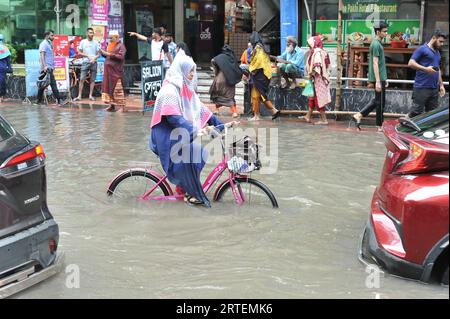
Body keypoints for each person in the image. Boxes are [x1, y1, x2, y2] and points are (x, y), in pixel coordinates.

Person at [150, 51, 230, 207]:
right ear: (182, 71)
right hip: (165, 135)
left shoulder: (186, 90)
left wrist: (222, 125)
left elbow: (203, 111)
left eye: (193, 70)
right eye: (190, 70)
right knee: (192, 152)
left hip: (178, 133)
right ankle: (191, 192)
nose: (193, 74)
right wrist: (195, 130)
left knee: (199, 153)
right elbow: (173, 117)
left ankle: (185, 188)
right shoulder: (170, 90)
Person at [352, 22, 389, 132]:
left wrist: (384, 78)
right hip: (378, 78)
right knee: (380, 102)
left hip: (381, 77)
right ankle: (379, 125)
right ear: (378, 32)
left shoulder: (377, 43)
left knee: (378, 101)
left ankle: (359, 115)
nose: (386, 33)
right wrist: (378, 81)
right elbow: (375, 63)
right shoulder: (376, 44)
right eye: (384, 31)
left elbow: (380, 63)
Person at [407, 30, 447, 118]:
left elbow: (438, 69)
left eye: (443, 42)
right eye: (440, 41)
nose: (442, 44)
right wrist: (426, 69)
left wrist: (441, 85)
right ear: (433, 38)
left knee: (432, 115)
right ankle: (402, 128)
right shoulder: (422, 49)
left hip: (434, 88)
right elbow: (410, 63)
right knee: (415, 112)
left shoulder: (437, 52)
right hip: (421, 87)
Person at [248, 31, 281, 121]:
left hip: (259, 75)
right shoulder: (260, 48)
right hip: (262, 75)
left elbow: (258, 63)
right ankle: (274, 110)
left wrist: (250, 69)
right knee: (261, 96)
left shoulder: (259, 49)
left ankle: (256, 116)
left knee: (256, 96)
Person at [301, 36, 331, 125]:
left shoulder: (317, 52)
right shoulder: (321, 52)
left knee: (318, 99)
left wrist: (312, 75)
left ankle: (324, 120)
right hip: (318, 78)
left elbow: (317, 67)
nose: (309, 46)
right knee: (313, 98)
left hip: (318, 79)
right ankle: (308, 116)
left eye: (310, 44)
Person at [210, 45, 242, 118]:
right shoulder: (232, 58)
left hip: (220, 78)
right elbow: (237, 68)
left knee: (218, 95)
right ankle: (234, 113)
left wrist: (216, 71)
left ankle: (217, 110)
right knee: (229, 96)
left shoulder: (220, 57)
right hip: (230, 79)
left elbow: (213, 60)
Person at [36, 30, 66, 106]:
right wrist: (45, 66)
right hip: (47, 68)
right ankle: (59, 100)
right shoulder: (43, 44)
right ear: (47, 36)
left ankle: (38, 101)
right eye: (52, 35)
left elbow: (49, 56)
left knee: (43, 85)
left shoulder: (48, 43)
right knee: (53, 84)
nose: (53, 37)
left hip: (49, 67)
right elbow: (42, 55)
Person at [101, 30, 127, 112]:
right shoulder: (109, 45)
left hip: (116, 71)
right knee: (109, 88)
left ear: (116, 37)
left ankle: (122, 107)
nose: (110, 40)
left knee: (117, 89)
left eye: (111, 38)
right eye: (109, 38)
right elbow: (107, 56)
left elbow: (121, 57)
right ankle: (111, 105)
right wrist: (102, 53)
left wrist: (108, 54)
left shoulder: (121, 46)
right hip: (108, 71)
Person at [74, 27, 101, 102]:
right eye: (90, 33)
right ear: (87, 33)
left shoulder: (96, 42)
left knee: (93, 80)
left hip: (94, 62)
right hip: (85, 62)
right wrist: (87, 56)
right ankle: (79, 96)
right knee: (82, 79)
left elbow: (99, 54)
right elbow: (79, 52)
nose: (92, 34)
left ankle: (90, 95)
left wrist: (94, 58)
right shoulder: (83, 42)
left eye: (92, 33)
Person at [0, 34, 12, 103]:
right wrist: (9, 67)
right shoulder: (5, 48)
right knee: (2, 82)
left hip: (2, 68)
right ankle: (1, 97)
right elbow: (8, 60)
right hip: (3, 68)